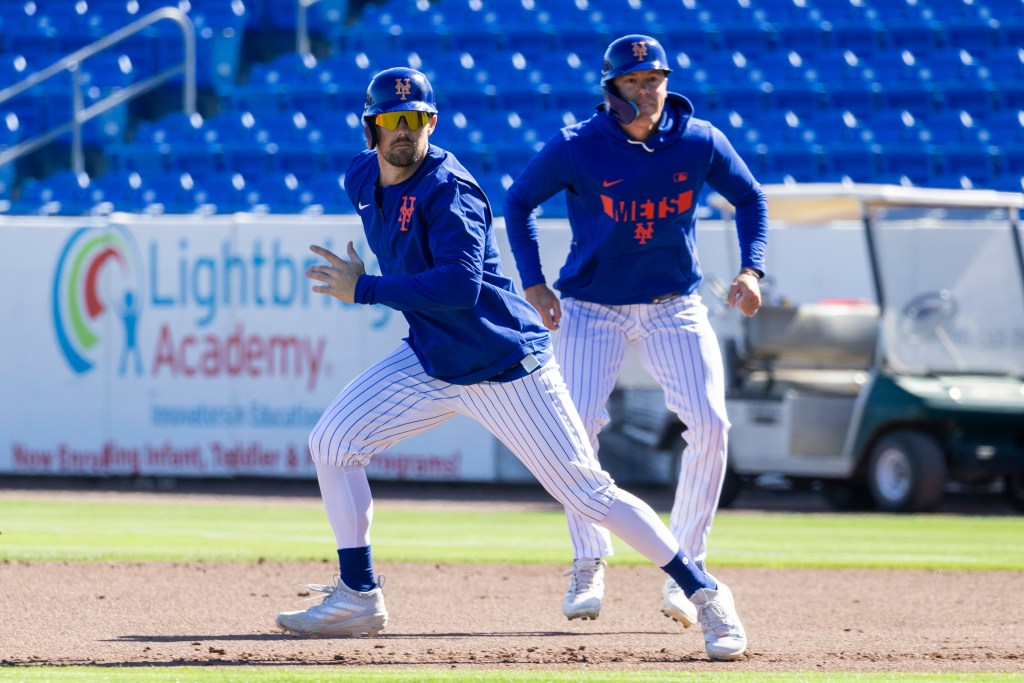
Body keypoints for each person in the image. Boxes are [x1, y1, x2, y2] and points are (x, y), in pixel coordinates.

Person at [274, 66, 748, 661]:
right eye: (392, 120)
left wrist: (365, 288)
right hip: (431, 358)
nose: (405, 131)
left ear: (432, 123)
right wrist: (374, 287)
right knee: (333, 443)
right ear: (370, 128)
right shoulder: (362, 175)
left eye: (417, 118)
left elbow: (458, 287)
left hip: (505, 366)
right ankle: (358, 595)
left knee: (589, 495)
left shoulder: (451, 191)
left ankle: (705, 593)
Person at [503, 34, 768, 631]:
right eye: (634, 82)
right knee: (578, 432)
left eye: (655, 80)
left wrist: (752, 268)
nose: (647, 91)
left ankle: (688, 567)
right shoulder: (579, 145)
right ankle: (589, 559)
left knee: (710, 424)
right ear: (611, 90)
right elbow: (518, 202)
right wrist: (533, 283)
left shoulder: (699, 140)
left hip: (673, 302)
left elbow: (750, 197)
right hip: (590, 306)